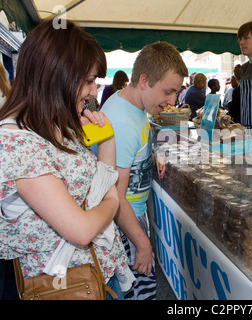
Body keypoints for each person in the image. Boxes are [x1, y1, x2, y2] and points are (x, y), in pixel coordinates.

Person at [0, 20, 134, 300]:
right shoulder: (17, 143)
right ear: (56, 75)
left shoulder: (53, 124)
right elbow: (81, 230)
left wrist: (105, 136)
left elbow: (105, 178)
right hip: (67, 288)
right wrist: (112, 201)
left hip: (98, 274)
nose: (94, 91)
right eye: (88, 81)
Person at [101, 41, 188, 300]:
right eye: (168, 92)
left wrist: (150, 156)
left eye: (176, 92)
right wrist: (142, 243)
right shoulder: (123, 123)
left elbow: (131, 153)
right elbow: (115, 197)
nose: (172, 101)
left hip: (132, 219)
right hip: (125, 227)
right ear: (143, 80)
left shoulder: (133, 107)